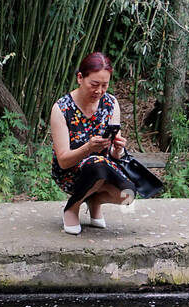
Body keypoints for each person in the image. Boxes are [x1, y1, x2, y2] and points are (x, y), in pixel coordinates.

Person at [49, 52, 133, 235]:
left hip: (104, 167)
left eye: (105, 85)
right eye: (94, 85)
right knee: (97, 165)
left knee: (129, 193)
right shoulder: (62, 109)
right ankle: (72, 208)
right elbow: (63, 161)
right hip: (71, 173)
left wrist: (118, 149)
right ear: (80, 77)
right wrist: (88, 148)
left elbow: (114, 153)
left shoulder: (111, 103)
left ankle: (95, 201)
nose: (99, 91)